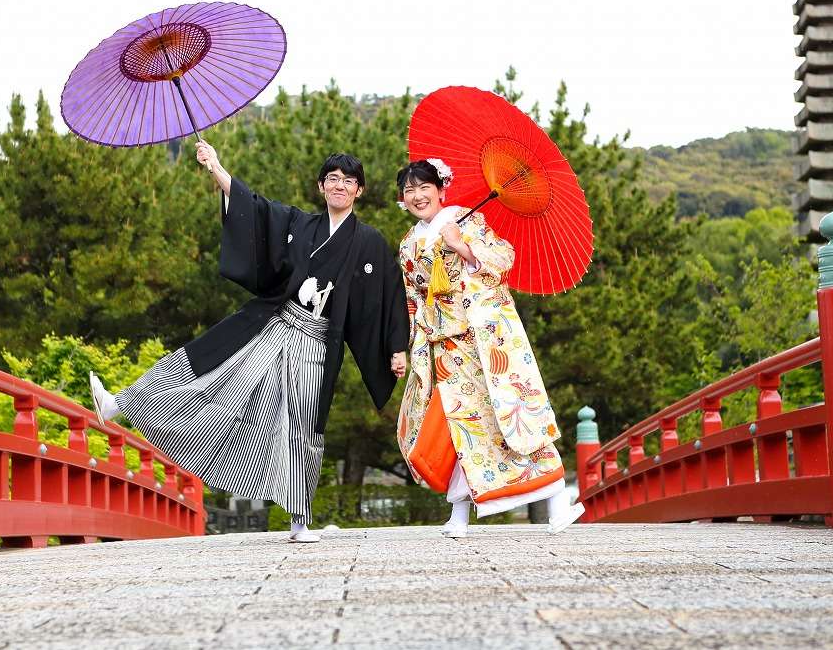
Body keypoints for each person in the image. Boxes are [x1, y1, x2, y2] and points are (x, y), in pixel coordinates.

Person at [90, 142, 410, 542]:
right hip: (274, 326)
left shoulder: (370, 243)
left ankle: (299, 519)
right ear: (321, 186)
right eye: (333, 179)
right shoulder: (299, 224)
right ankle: (120, 403)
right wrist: (217, 167)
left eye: (348, 181)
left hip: (315, 342)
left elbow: (388, 297)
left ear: (359, 190)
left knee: (303, 422)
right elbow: (256, 210)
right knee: (211, 372)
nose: (340, 186)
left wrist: (396, 348)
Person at [393, 158, 584, 537]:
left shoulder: (465, 220)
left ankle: (558, 504)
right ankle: (459, 516)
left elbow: (503, 259)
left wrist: (462, 247)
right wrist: (408, 345)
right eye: (409, 190)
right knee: (462, 425)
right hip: (446, 344)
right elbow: (412, 298)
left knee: (517, 413)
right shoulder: (408, 244)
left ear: (440, 190)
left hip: (488, 340)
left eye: (423, 187)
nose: (416, 196)